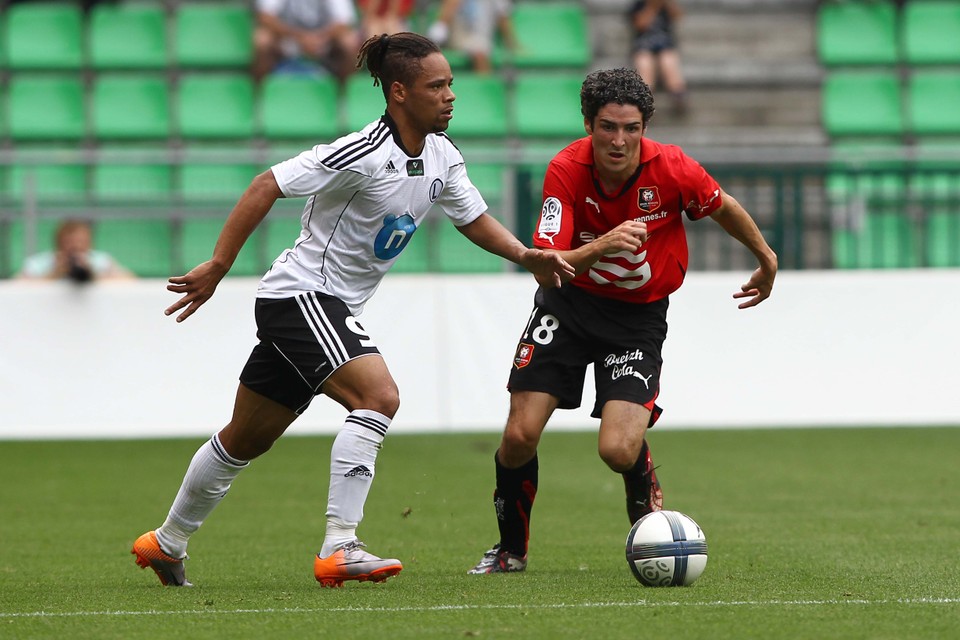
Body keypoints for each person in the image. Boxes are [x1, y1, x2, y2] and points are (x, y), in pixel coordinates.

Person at [131, 31, 574, 588]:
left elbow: (472, 217)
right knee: (378, 396)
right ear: (398, 93)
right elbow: (266, 183)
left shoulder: (442, 154)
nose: (450, 96)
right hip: (301, 295)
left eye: (451, 84)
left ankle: (166, 543)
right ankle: (341, 545)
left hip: (323, 305)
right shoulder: (361, 152)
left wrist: (524, 255)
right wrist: (220, 265)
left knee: (244, 437)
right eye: (436, 86)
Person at [467, 67, 777, 574]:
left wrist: (765, 258)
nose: (619, 140)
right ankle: (510, 550)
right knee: (519, 435)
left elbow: (722, 206)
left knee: (616, 449)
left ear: (645, 127)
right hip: (566, 306)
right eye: (608, 127)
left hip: (636, 319)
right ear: (588, 124)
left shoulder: (672, 168)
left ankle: (643, 482)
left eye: (631, 128)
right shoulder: (565, 170)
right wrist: (602, 245)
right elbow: (548, 265)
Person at [252, 0, 361, 83]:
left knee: (349, 41)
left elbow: (344, 22)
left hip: (323, 41)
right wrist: (299, 37)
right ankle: (260, 95)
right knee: (262, 39)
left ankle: (343, 96)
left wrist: (319, 38)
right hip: (287, 39)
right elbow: (265, 17)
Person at [17, 218, 134, 282]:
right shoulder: (39, 263)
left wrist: (93, 276)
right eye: (70, 242)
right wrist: (52, 275)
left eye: (81, 241)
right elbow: (14, 288)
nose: (76, 246)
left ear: (90, 243)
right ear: (58, 242)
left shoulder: (102, 262)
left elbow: (132, 282)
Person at [426, 0, 518, 74]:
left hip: (481, 39)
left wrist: (512, 44)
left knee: (480, 50)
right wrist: (441, 27)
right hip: (458, 37)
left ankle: (484, 89)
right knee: (479, 52)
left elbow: (503, 19)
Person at [629, 0, 688, 115]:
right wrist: (653, 7)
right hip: (643, 45)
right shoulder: (639, 4)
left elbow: (678, 16)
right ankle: (645, 99)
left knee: (668, 61)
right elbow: (640, 24)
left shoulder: (667, 5)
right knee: (645, 63)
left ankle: (678, 94)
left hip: (665, 45)